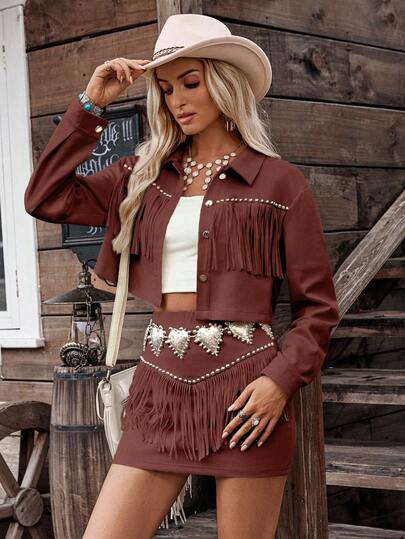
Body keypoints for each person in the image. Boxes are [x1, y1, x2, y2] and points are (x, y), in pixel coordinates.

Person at [24, 13, 340, 539]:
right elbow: (45, 197)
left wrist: (279, 383)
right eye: (167, 89)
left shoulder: (279, 183)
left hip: (246, 395)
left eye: (191, 83)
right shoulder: (142, 177)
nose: (177, 100)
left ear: (224, 83)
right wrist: (91, 104)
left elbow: (318, 310)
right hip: (159, 390)